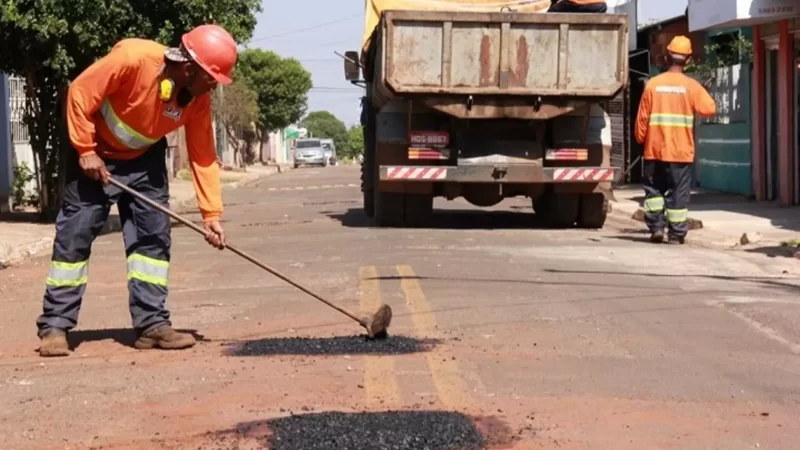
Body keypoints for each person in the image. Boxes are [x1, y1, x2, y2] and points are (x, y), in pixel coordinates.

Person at [36, 24, 238, 357]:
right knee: (75, 238)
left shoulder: (197, 101)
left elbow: (203, 155)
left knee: (152, 241)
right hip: (94, 157)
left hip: (145, 162)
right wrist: (86, 150)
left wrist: (211, 214)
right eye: (211, 77)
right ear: (189, 68)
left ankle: (152, 325)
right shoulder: (133, 59)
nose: (213, 85)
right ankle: (55, 326)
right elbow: (80, 93)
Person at [634, 36, 717, 245]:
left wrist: (641, 139)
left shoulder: (653, 85)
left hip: (654, 149)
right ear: (687, 59)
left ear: (667, 56)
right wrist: (700, 91)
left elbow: (642, 119)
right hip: (680, 152)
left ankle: (656, 228)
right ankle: (676, 233)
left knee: (654, 192)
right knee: (678, 194)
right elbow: (710, 109)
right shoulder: (691, 86)